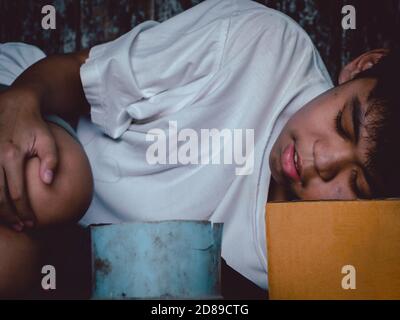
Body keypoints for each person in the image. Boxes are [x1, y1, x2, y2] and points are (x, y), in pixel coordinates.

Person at [0, 0, 398, 296]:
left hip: (50, 253)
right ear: (362, 67)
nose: (323, 160)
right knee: (57, 185)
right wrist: (23, 99)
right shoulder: (265, 46)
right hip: (31, 111)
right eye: (344, 123)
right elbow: (77, 71)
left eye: (357, 184)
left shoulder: (314, 267)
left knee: (13, 266)